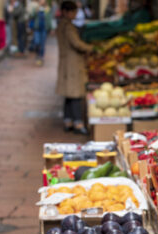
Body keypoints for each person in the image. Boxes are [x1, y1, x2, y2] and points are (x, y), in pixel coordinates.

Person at [56, 0, 93, 135]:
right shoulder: (68, 27)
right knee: (76, 94)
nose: (75, 14)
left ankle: (68, 121)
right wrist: (90, 48)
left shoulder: (62, 25)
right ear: (66, 12)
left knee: (69, 95)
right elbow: (76, 44)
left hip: (66, 62)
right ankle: (78, 123)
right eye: (73, 12)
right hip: (72, 64)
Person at [29, 0, 52, 66]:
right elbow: (31, 16)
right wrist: (36, 10)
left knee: (42, 44)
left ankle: (40, 57)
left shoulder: (47, 9)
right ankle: (37, 54)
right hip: (37, 28)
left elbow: (49, 19)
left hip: (44, 29)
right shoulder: (36, 8)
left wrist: (51, 28)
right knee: (36, 42)